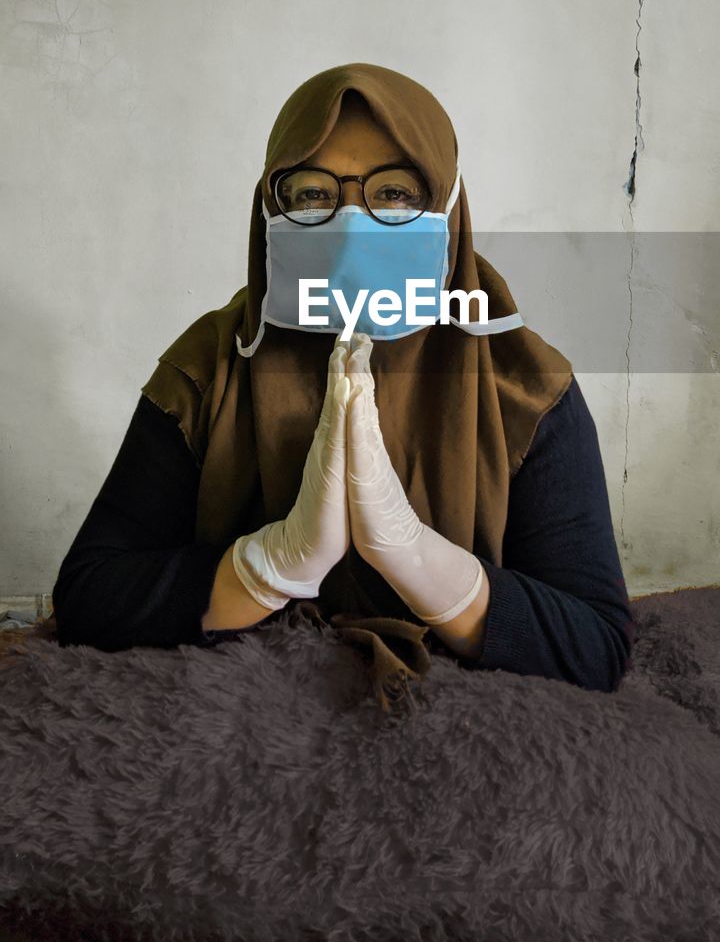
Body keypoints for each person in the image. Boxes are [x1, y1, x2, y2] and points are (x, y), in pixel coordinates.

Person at [52, 63, 636, 709]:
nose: (352, 224)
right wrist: (268, 565)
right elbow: (88, 594)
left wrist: (420, 562)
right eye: (313, 194)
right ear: (271, 205)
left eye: (394, 193)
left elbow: (598, 643)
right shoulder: (209, 367)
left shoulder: (524, 387)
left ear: (448, 204)